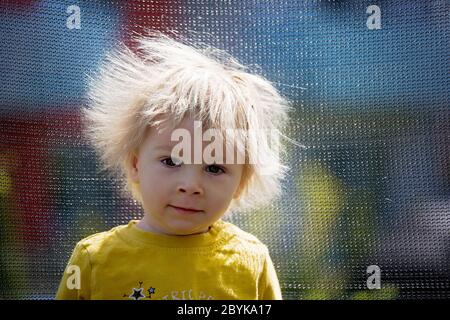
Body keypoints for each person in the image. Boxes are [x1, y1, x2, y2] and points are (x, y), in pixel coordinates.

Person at [56, 30, 293, 300]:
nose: (190, 186)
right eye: (171, 161)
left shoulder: (252, 262)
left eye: (214, 168)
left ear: (241, 182)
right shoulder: (93, 261)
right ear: (135, 164)